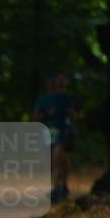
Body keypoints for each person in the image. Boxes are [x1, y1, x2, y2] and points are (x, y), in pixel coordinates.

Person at [32, 72, 81, 203]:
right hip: (49, 132)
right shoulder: (44, 99)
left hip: (65, 130)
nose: (59, 84)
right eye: (57, 80)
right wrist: (47, 114)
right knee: (56, 160)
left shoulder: (71, 98)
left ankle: (59, 187)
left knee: (59, 156)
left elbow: (79, 116)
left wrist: (73, 114)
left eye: (62, 81)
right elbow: (35, 117)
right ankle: (60, 187)